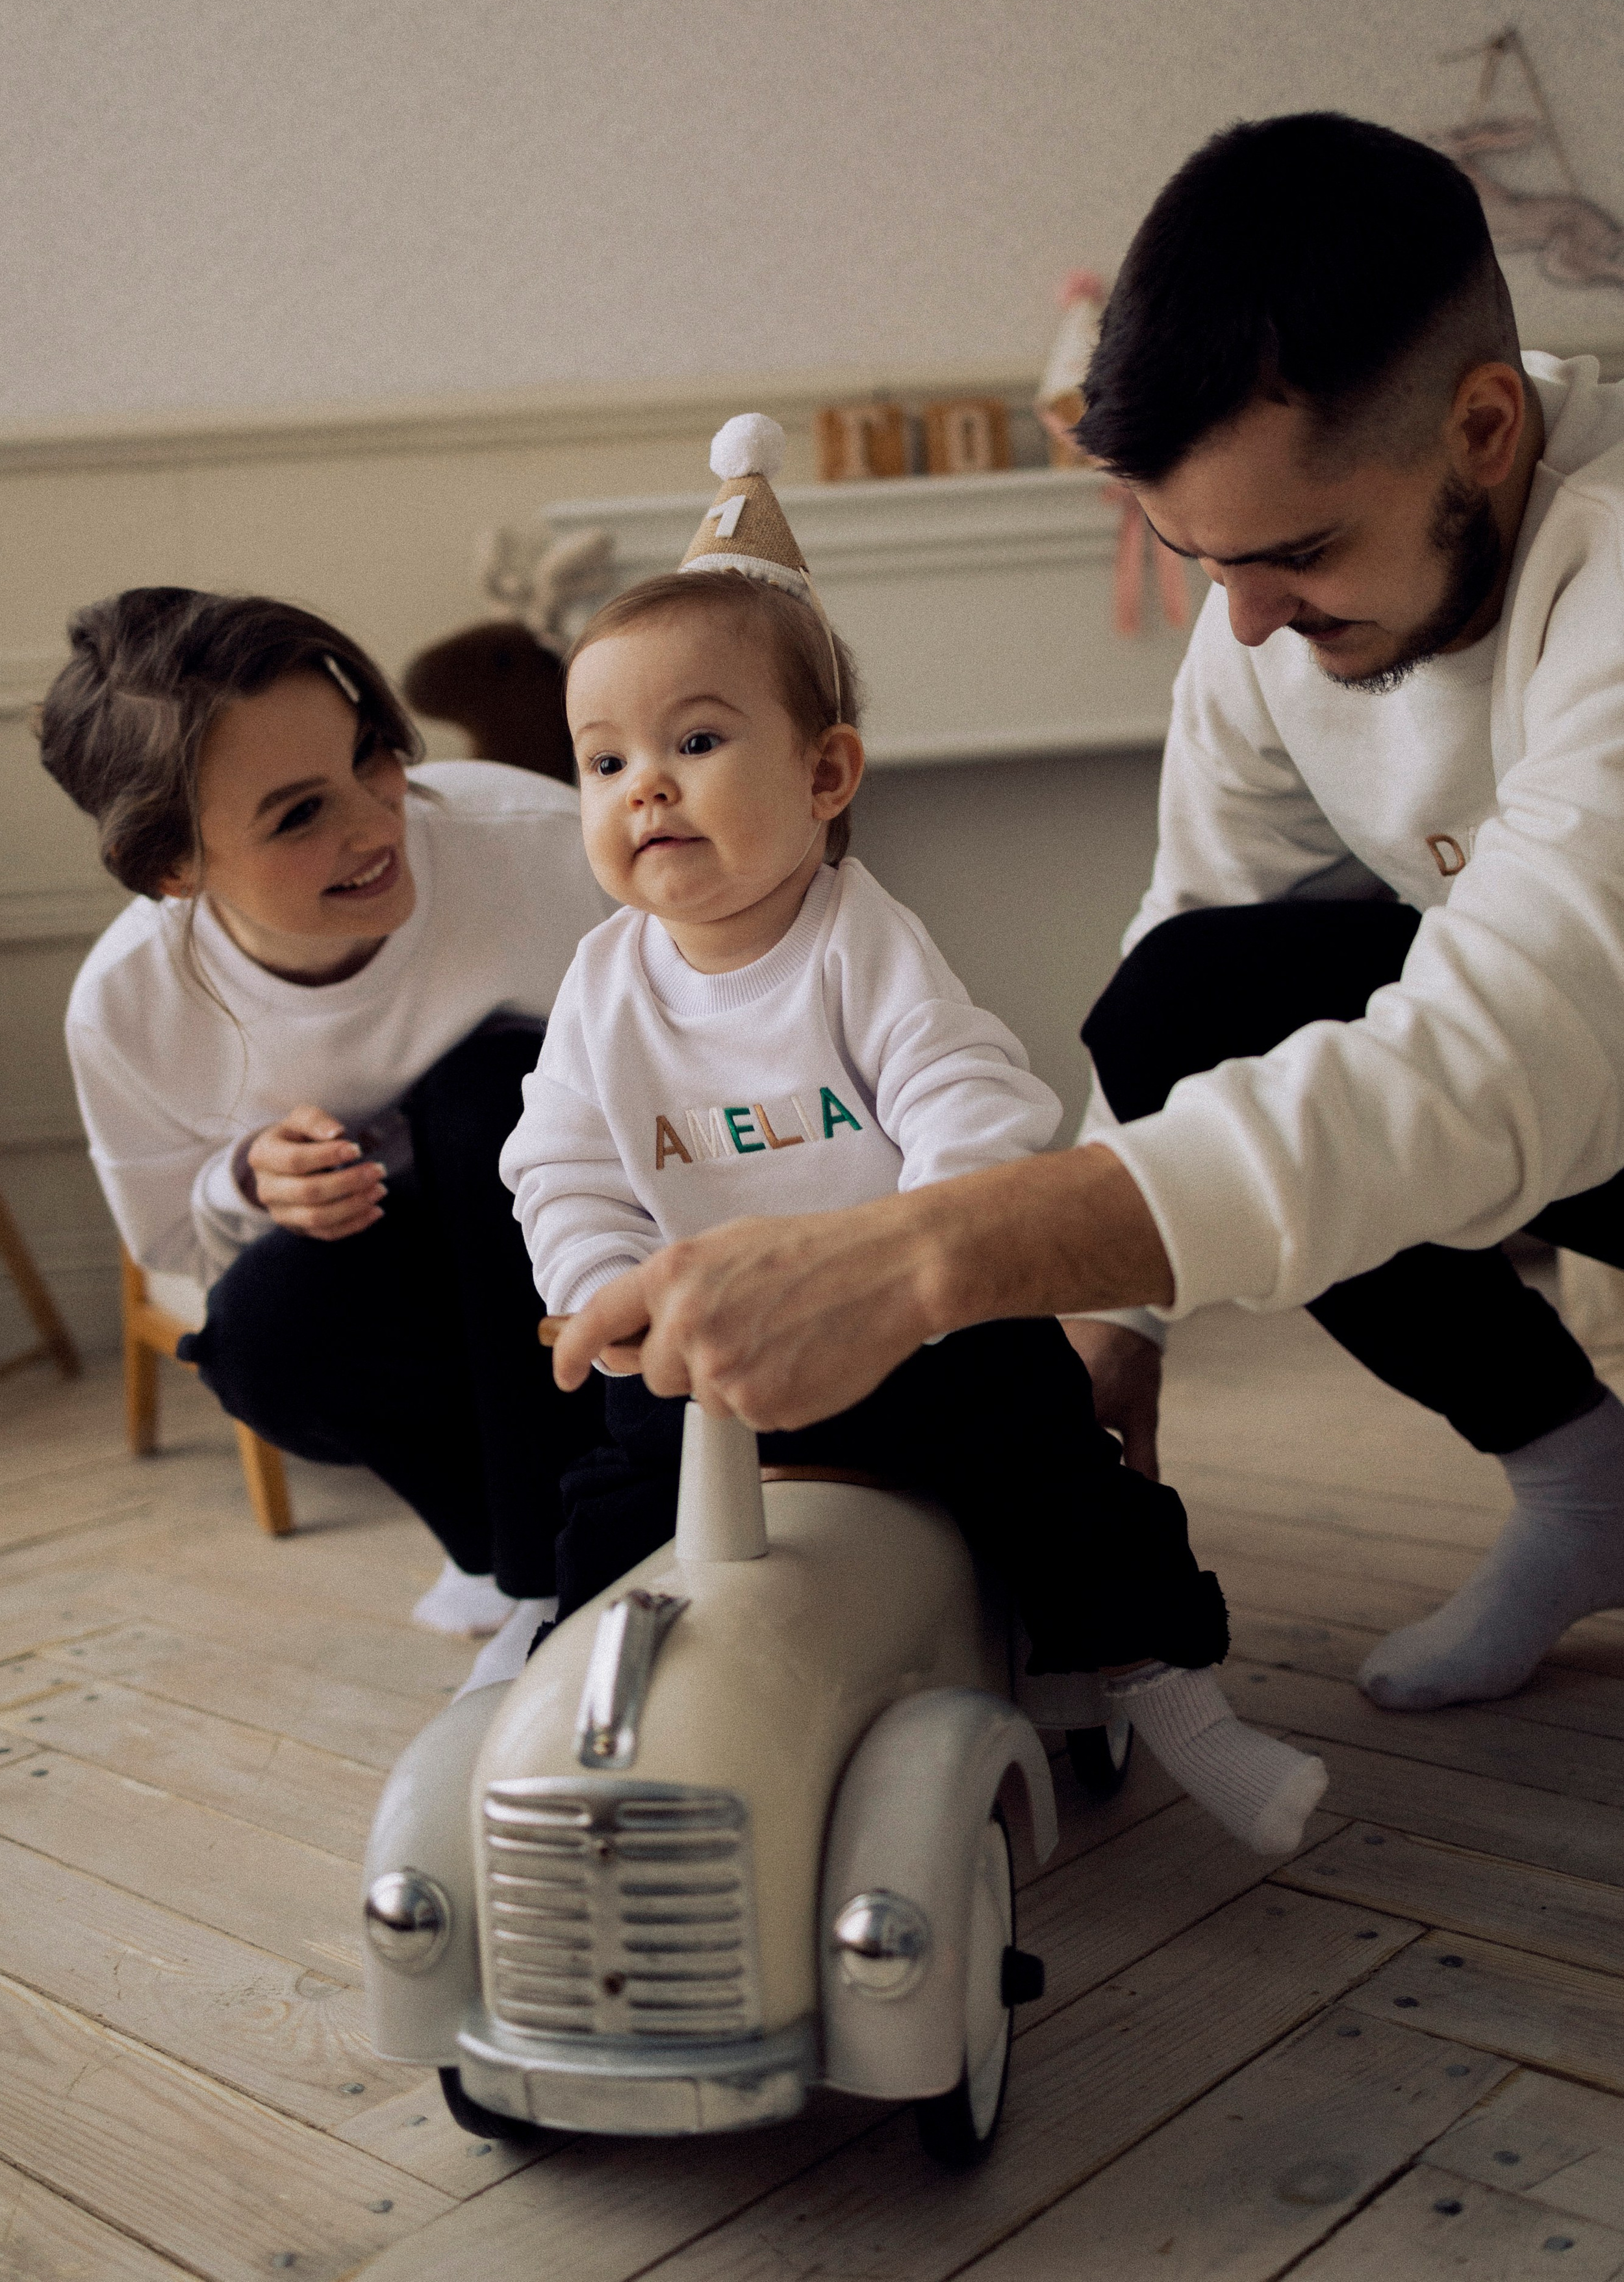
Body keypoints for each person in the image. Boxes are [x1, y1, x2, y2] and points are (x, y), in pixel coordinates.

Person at [550, 115, 1624, 1719]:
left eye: (1295, 551)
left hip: (1587, 1058)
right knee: (1181, 1000)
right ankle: (1584, 1490)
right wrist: (1109, 1326)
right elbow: (1195, 932)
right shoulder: (1257, 616)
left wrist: (920, 1261)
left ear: (1481, 428)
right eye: (1199, 561)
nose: (1245, 620)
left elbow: (1503, 1061)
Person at [506, 415, 1328, 1854]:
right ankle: (573, 1713)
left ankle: (1169, 1692)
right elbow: (559, 1158)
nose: (643, 784)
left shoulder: (852, 946)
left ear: (825, 777)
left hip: (909, 1335)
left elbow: (969, 1099)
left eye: (695, 741)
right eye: (601, 759)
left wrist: (917, 1257)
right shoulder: (599, 985)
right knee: (588, 1512)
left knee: (1054, 1465)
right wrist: (598, 1285)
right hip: (703, 1356)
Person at [43, 587, 607, 1640]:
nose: (374, 820)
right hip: (409, 1306)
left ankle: (555, 1574)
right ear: (172, 869)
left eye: (372, 754)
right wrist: (249, 1177)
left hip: (598, 1244)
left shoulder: (544, 848)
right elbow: (171, 1241)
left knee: (489, 1092)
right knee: (257, 1335)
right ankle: (500, 1550)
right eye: (300, 813)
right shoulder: (128, 1005)